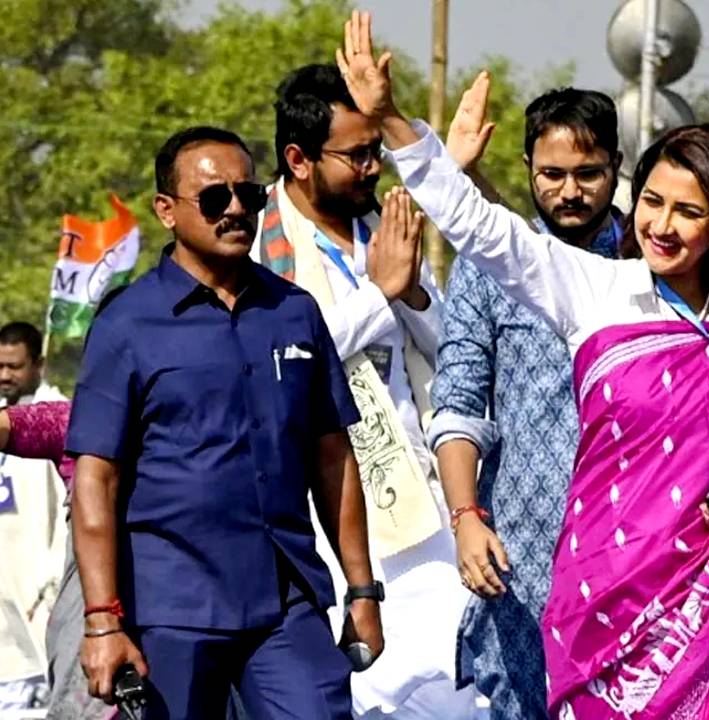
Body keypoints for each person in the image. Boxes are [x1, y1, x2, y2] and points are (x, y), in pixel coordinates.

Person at [336, 13, 709, 717]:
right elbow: (483, 230)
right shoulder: (599, 292)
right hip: (607, 599)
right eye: (653, 203)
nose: (659, 225)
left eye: (687, 212)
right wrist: (392, 121)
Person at [66, 125, 383, 719]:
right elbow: (96, 479)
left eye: (249, 194)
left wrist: (362, 588)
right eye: (215, 199)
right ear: (166, 210)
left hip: (286, 599)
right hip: (171, 607)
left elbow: (333, 457)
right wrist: (102, 622)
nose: (236, 209)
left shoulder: (294, 312)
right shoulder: (127, 325)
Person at [253, 62, 477, 719]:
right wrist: (381, 294)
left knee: (451, 695)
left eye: (376, 150)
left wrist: (408, 291)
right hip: (323, 510)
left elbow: (448, 344)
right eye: (357, 154)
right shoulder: (258, 246)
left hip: (419, 501)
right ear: (298, 159)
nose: (374, 167)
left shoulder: (380, 224)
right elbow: (288, 355)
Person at [429, 87, 623, 719]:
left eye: (588, 174)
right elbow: (457, 404)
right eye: (553, 175)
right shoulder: (491, 267)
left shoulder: (648, 266)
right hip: (522, 557)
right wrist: (465, 518)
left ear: (616, 167)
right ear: (528, 172)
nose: (570, 192)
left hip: (639, 548)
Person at [0, 322, 67, 710]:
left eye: (15, 366)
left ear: (38, 365)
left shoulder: (57, 419)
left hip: (41, 591)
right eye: (0, 366)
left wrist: (52, 577)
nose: (6, 375)